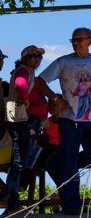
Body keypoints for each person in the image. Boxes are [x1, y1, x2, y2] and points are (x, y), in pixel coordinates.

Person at [35, 27, 91, 216]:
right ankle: (71, 206)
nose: (76, 43)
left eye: (80, 39)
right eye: (73, 40)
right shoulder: (63, 61)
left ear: (90, 41)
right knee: (68, 161)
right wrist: (55, 98)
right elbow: (40, 81)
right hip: (70, 120)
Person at [6, 45, 45, 212]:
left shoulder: (28, 71)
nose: (37, 59)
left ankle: (13, 203)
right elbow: (20, 85)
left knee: (19, 162)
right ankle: (12, 204)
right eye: (33, 56)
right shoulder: (24, 71)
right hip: (18, 118)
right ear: (25, 58)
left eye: (39, 56)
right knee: (18, 163)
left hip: (17, 117)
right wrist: (26, 98)